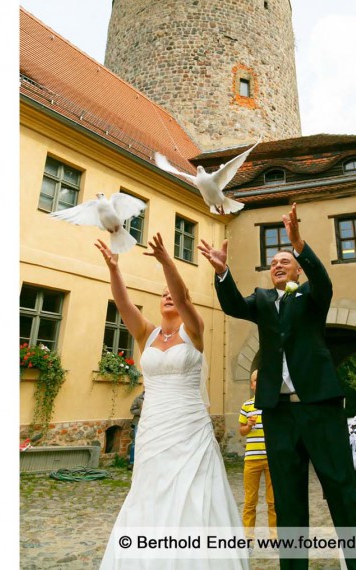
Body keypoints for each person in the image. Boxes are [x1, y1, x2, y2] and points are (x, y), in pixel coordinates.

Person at [200, 203, 356, 570]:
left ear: (297, 268)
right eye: (273, 262)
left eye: (285, 260)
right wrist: (222, 272)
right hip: (277, 412)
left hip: (320, 407)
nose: (277, 265)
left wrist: (298, 244)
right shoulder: (263, 301)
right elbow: (232, 305)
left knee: (341, 491)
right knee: (288, 500)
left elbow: (324, 283)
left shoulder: (311, 298)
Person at [99, 232, 246, 569]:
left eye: (173, 294)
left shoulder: (193, 330)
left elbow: (180, 295)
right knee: (151, 490)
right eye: (162, 294)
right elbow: (122, 303)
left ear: (183, 301)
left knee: (192, 491)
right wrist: (114, 270)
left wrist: (167, 261)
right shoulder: (146, 334)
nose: (168, 296)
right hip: (153, 427)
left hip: (188, 427)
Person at [238, 370, 276, 538]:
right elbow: (242, 431)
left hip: (271, 459)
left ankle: (275, 539)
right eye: (256, 380)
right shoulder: (246, 406)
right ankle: (248, 540)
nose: (259, 383)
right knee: (250, 502)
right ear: (252, 385)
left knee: (273, 503)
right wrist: (249, 426)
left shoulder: (272, 404)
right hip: (251, 459)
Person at [127, 391, 144, 468]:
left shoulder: (154, 398)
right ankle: (132, 462)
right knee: (135, 442)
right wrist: (141, 410)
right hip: (138, 422)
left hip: (150, 423)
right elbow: (132, 410)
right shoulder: (138, 398)